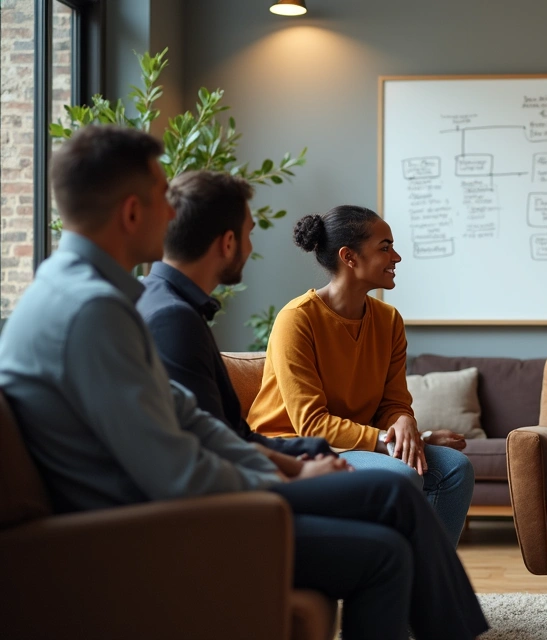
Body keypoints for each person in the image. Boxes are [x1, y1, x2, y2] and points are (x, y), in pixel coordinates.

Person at [0, 125, 487, 640]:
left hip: (153, 506)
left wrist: (288, 468)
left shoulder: (90, 297)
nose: (172, 216)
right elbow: (173, 470)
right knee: (394, 505)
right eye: (161, 199)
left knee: (397, 518)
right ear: (131, 212)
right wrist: (283, 477)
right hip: (138, 530)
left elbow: (188, 421)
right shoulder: (98, 310)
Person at [136, 170, 421, 488]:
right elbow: (215, 444)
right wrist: (305, 465)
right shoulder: (175, 318)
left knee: (450, 469)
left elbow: (217, 432)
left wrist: (403, 425)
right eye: (249, 234)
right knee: (401, 483)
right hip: (280, 453)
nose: (250, 247)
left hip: (290, 453)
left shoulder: (169, 308)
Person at [245, 205, 474, 546]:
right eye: (385, 247)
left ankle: (428, 584)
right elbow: (312, 424)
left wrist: (405, 423)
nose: (396, 256)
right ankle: (405, 582)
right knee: (401, 473)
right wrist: (401, 439)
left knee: (455, 468)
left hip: (360, 444)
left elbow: (394, 402)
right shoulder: (297, 319)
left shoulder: (389, 320)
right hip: (295, 445)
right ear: (348, 257)